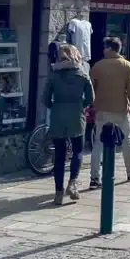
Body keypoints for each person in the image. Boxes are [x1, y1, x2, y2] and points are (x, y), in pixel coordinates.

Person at [44, 44, 93, 205]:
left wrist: (55, 106)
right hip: (76, 115)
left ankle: (58, 192)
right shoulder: (82, 74)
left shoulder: (53, 75)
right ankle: (72, 183)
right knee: (78, 150)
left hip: (58, 115)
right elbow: (90, 98)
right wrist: (81, 106)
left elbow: (45, 99)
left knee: (59, 155)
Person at [89, 37, 130, 188]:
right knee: (126, 141)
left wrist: (93, 105)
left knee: (98, 143)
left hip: (102, 109)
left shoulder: (97, 66)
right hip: (121, 109)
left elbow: (91, 89)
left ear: (110, 48)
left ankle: (94, 178)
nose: (103, 50)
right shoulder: (127, 65)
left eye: (105, 47)